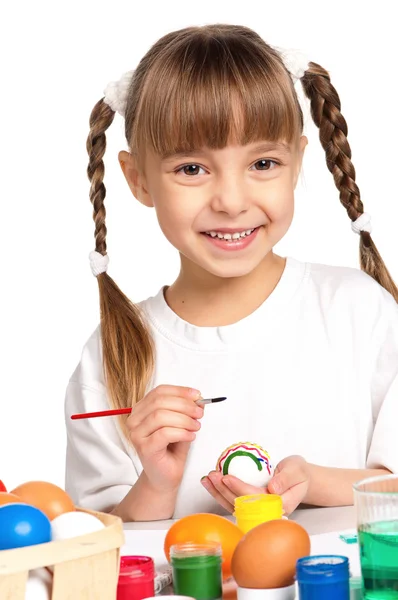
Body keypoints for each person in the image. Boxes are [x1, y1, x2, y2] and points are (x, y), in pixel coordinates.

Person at [64, 23, 398, 522]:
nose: (232, 201)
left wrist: (313, 480)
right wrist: (156, 483)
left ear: (298, 160)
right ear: (138, 179)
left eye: (262, 162)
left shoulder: (359, 310)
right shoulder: (112, 356)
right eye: (192, 169)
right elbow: (96, 542)